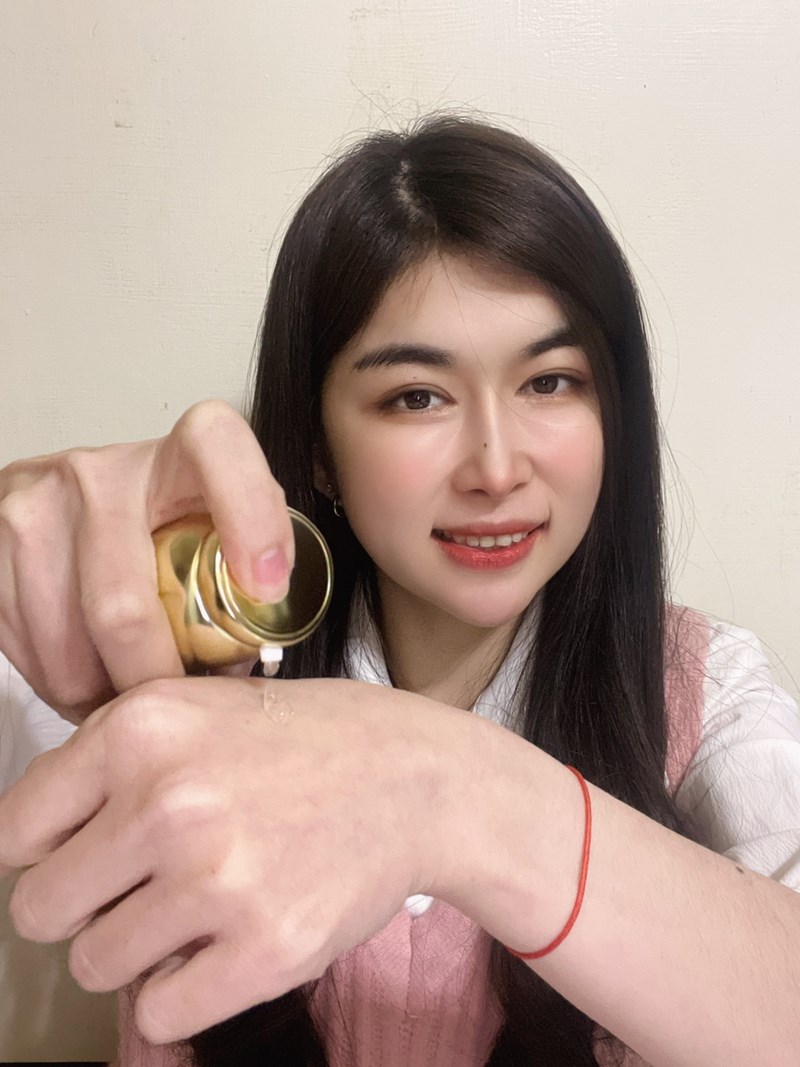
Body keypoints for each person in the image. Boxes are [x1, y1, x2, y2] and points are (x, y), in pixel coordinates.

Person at [0, 114, 799, 1067]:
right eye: (417, 396)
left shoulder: (705, 694)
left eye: (550, 382)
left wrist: (450, 793)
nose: (497, 468)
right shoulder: (172, 655)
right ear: (318, 450)